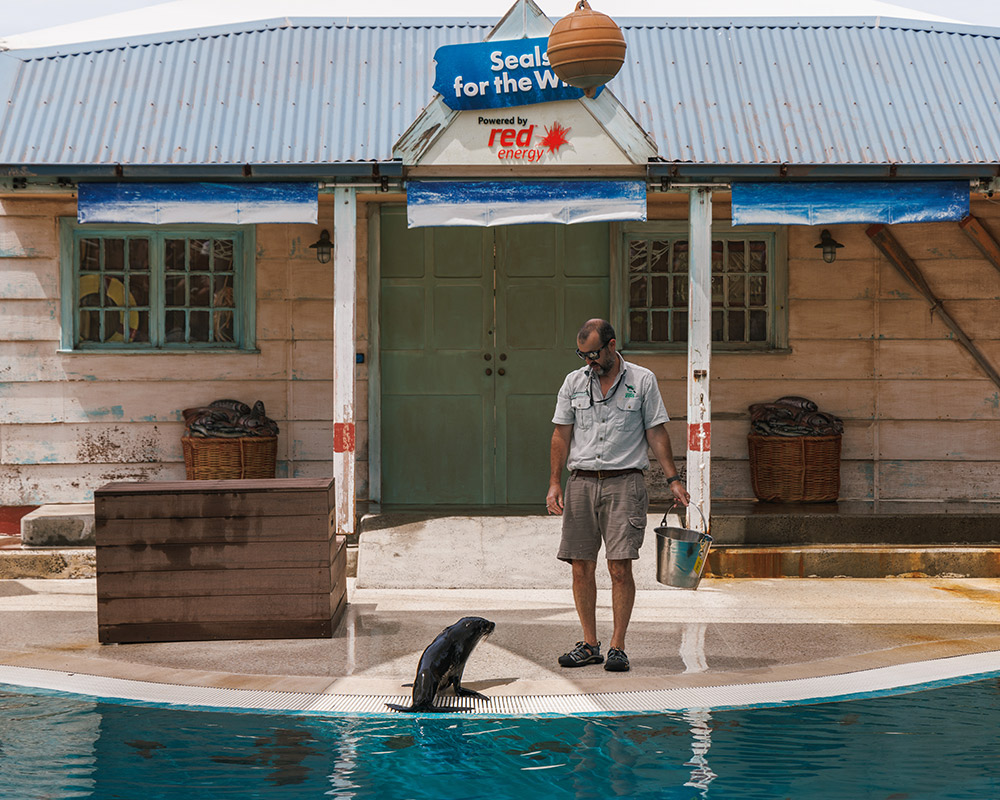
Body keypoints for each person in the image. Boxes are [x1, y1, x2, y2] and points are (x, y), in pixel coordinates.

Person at [546, 318, 690, 672]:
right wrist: (554, 483)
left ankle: (617, 646)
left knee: (620, 567)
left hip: (624, 482)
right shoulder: (573, 382)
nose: (589, 362)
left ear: (612, 346)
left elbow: (656, 432)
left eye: (594, 354)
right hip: (581, 482)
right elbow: (561, 434)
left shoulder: (642, 380)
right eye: (583, 355)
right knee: (580, 566)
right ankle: (589, 644)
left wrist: (673, 479)